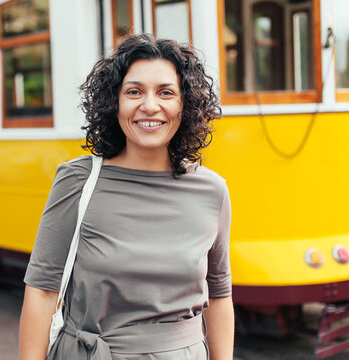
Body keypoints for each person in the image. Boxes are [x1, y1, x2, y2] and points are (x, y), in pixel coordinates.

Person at [19, 34, 234, 360]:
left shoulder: (212, 191)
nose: (150, 105)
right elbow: (42, 290)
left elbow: (219, 295)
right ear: (113, 103)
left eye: (166, 92)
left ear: (184, 104)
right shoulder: (77, 181)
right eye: (134, 92)